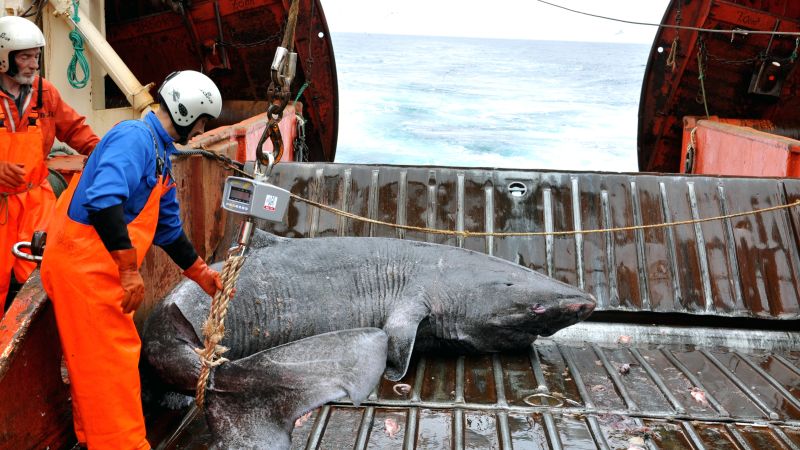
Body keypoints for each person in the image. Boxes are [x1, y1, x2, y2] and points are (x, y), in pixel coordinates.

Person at [40, 70, 224, 450]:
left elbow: (168, 230)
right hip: (84, 270)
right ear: (190, 114)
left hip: (99, 270)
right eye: (203, 120)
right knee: (111, 367)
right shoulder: (134, 139)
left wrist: (202, 274)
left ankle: (96, 440)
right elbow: (103, 199)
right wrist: (128, 271)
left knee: (97, 366)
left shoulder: (161, 155)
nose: (202, 127)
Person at [0, 15, 99, 314]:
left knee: (43, 275)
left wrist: (108, 156)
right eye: (25, 57)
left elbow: (77, 131)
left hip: (37, 201)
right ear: (4, 59)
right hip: (2, 205)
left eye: (37, 57)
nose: (33, 64)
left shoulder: (46, 93)